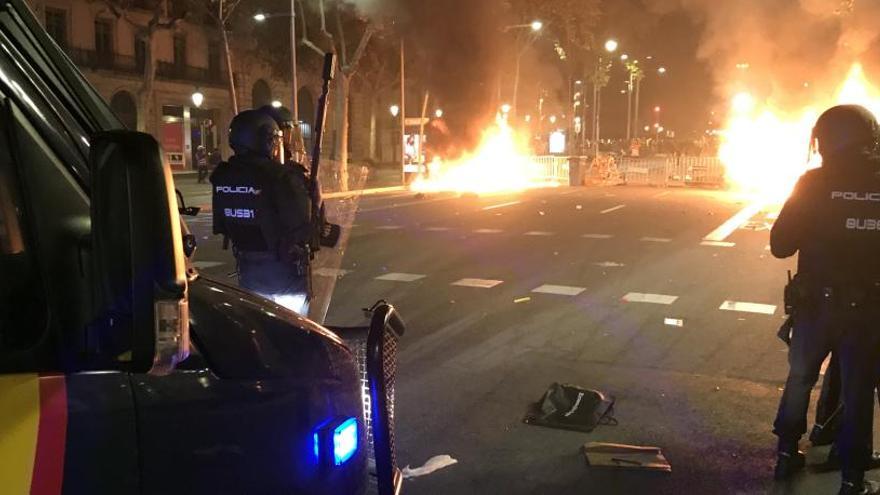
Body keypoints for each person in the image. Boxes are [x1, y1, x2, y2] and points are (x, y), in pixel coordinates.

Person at [771, 104, 880, 495]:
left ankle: (786, 454)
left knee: (800, 379)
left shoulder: (813, 183)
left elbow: (779, 245)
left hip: (816, 307)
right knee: (858, 391)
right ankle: (851, 479)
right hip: (868, 311)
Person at [210, 109, 312, 316]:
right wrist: (314, 201)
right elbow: (303, 228)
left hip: (249, 276)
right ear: (266, 140)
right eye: (274, 139)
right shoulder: (282, 177)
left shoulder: (222, 176)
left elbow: (222, 226)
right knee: (293, 340)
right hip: (285, 279)